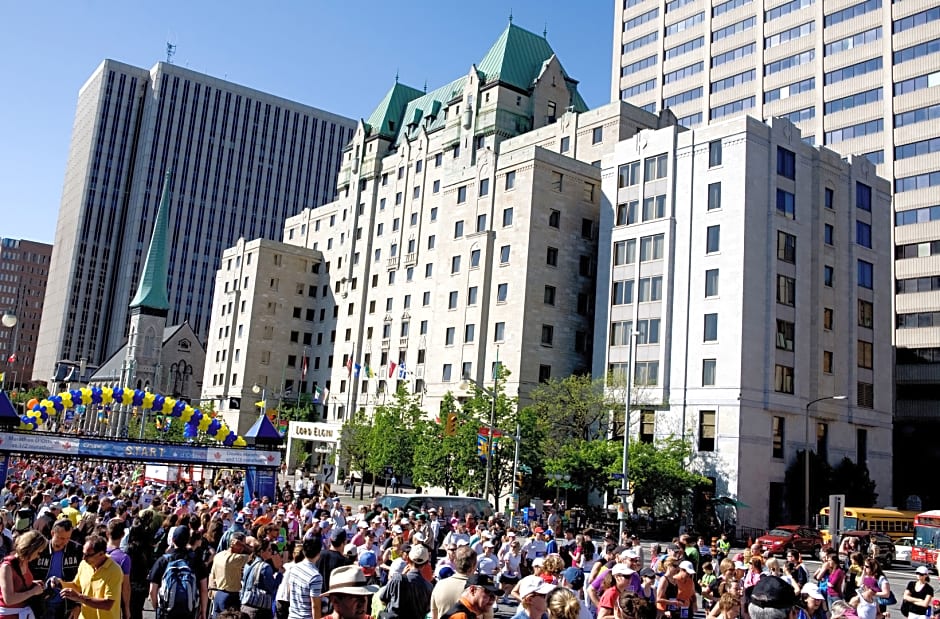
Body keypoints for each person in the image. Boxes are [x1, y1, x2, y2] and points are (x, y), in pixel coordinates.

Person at [148, 526, 209, 619]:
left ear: (173, 540)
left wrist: (157, 607)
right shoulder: (196, 561)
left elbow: (152, 590)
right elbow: (204, 589)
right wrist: (203, 611)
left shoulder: (163, 561)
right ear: (188, 540)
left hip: (166, 612)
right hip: (189, 611)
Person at [59, 535, 123, 619]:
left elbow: (107, 604)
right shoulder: (84, 564)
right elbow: (76, 586)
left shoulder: (114, 571)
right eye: (83, 553)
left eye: (88, 555)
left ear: (101, 554)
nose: (84, 558)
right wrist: (60, 583)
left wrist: (79, 597)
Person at [30, 519, 83, 619]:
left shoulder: (76, 550)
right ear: (52, 533)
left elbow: (83, 580)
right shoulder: (40, 550)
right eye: (61, 538)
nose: (65, 542)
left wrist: (78, 604)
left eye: (68, 538)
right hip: (40, 603)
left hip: (67, 605)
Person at [0, 530, 48, 619]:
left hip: (23, 613)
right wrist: (33, 591)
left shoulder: (25, 562)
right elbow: (9, 599)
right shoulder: (7, 567)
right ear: (31, 549)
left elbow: (18, 584)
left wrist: (33, 583)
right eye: (38, 552)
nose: (38, 556)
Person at [377, 544, 432, 618]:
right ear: (425, 564)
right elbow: (427, 609)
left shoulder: (397, 579)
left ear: (408, 559)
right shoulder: (429, 587)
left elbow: (382, 597)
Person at [430, 547, 485, 619]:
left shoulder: (439, 585)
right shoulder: (478, 590)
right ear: (473, 566)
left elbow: (434, 615)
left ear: (455, 562)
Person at [209, 532, 250, 618]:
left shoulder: (218, 556)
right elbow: (255, 554)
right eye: (242, 545)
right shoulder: (235, 558)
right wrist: (244, 545)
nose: (243, 548)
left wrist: (213, 592)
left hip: (218, 595)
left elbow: (212, 575)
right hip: (230, 596)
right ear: (237, 544)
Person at [241, 538, 279, 619]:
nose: (271, 552)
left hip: (246, 603)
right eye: (269, 550)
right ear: (262, 552)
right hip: (259, 608)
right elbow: (272, 588)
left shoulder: (249, 563)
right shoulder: (265, 567)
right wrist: (279, 576)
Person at [288, 537, 324, 619]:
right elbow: (315, 606)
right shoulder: (315, 576)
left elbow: (290, 592)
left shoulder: (294, 568)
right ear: (319, 553)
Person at [103, 521, 130, 619]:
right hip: (113, 603)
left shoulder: (96, 553)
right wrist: (127, 609)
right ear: (123, 535)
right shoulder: (123, 558)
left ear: (107, 533)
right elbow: (125, 587)